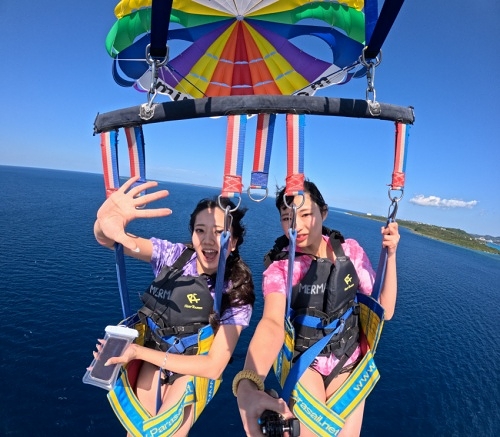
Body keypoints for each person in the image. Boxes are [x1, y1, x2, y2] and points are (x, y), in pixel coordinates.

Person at [91, 176, 255, 437]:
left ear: (233, 242)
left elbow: (213, 366)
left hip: (194, 365)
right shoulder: (173, 256)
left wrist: (138, 353)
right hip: (153, 351)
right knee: (137, 432)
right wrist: (103, 225)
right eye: (200, 230)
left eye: (219, 233)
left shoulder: (235, 289)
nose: (208, 240)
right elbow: (113, 241)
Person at [234, 180, 400, 437]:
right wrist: (248, 382)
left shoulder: (350, 252)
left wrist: (391, 255)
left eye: (305, 214)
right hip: (304, 363)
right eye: (287, 218)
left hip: (347, 358)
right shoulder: (281, 269)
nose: (296, 225)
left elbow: (385, 311)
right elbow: (272, 322)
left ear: (324, 213)